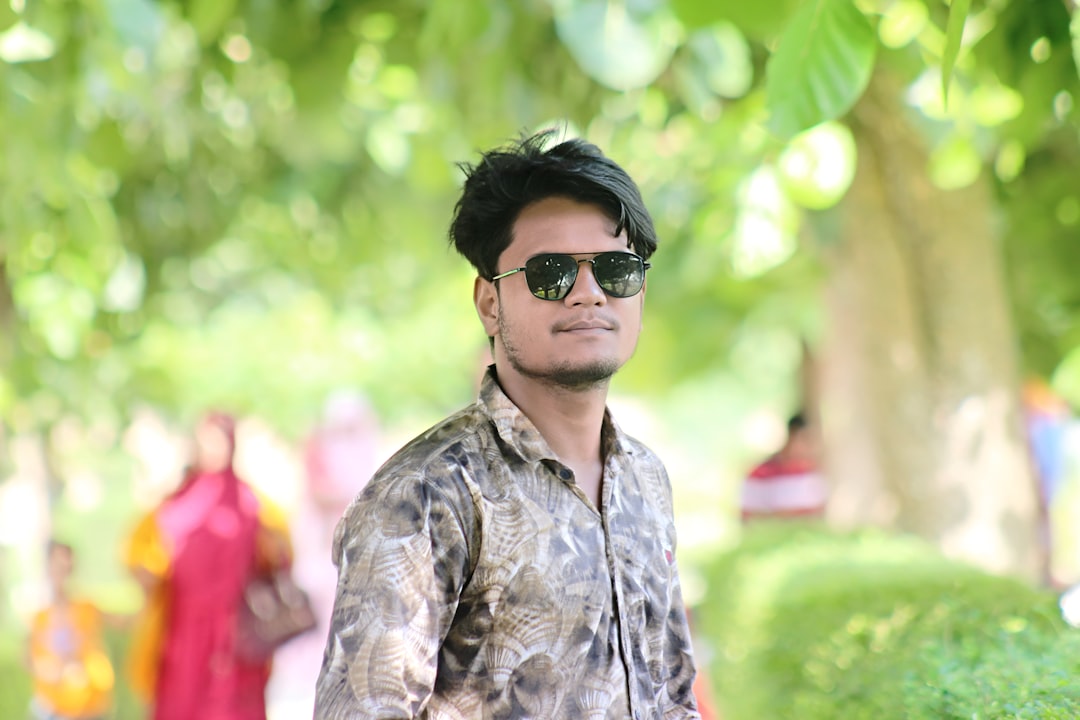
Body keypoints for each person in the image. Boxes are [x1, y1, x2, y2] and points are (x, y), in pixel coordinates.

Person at [314, 130, 701, 719]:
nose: (589, 294)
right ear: (489, 304)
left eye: (616, 269)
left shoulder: (645, 479)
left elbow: (673, 697)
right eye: (551, 272)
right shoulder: (427, 496)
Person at [124, 412, 293, 720]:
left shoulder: (253, 504)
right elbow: (142, 556)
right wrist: (147, 574)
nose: (216, 448)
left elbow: (281, 557)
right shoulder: (175, 502)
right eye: (208, 440)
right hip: (183, 636)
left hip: (237, 637)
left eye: (222, 440)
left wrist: (274, 550)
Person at [25, 540, 116, 720]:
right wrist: (46, 670)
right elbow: (28, 658)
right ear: (48, 568)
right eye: (58, 566)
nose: (63, 574)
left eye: (67, 567)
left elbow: (123, 622)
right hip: (53, 707)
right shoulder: (39, 617)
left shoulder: (87, 608)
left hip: (88, 706)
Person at [740, 412, 827, 521]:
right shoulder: (761, 473)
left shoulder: (811, 473)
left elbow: (817, 513)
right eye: (802, 439)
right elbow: (748, 515)